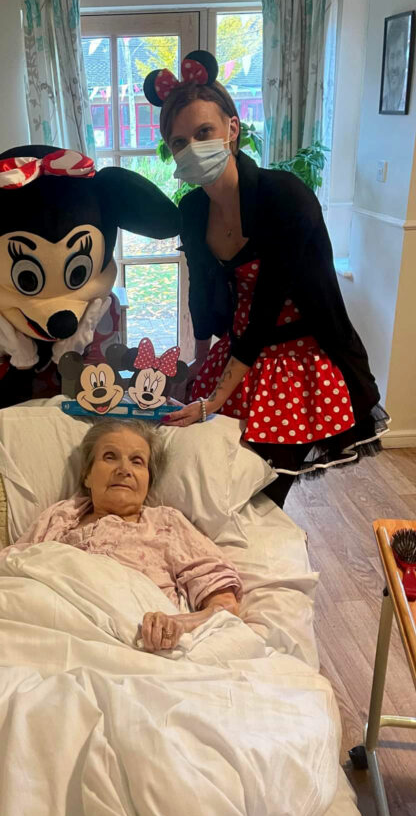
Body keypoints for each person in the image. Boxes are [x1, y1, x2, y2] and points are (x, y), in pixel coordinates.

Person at [143, 51, 387, 508]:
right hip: (238, 354)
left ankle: (266, 550)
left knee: (263, 494)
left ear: (232, 129)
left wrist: (214, 399)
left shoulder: (284, 196)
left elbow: (266, 306)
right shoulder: (193, 210)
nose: (192, 147)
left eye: (203, 132)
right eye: (179, 142)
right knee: (218, 482)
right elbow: (202, 297)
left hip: (300, 362)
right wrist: (198, 367)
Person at [0, 419, 242, 652]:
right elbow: (9, 565)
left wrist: (177, 624)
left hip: (131, 644)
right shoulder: (61, 517)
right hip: (45, 634)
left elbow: (224, 606)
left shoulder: (166, 524)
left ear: (148, 480)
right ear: (87, 475)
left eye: (137, 461)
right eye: (110, 457)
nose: (124, 469)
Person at [381, 16, 409, 113]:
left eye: (399, 55)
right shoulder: (383, 104)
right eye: (392, 56)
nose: (394, 66)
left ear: (405, 59)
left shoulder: (408, 104)